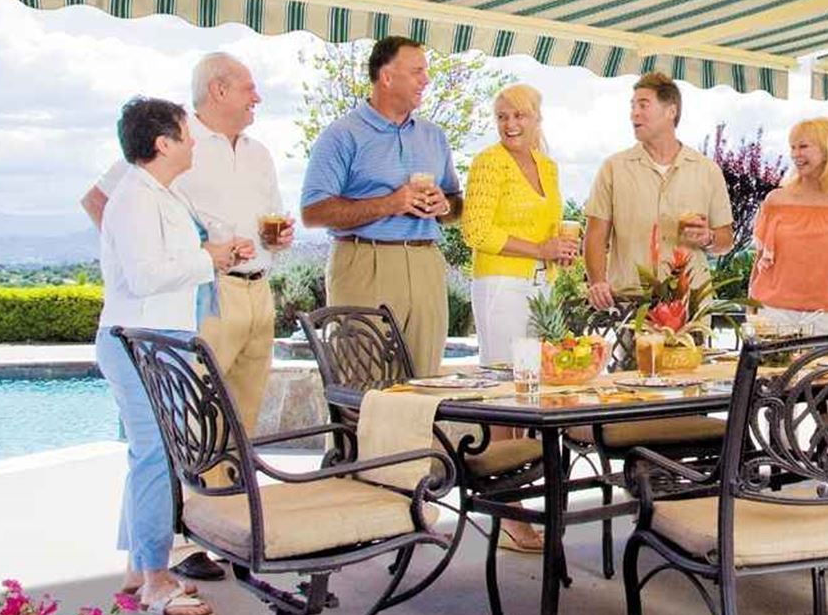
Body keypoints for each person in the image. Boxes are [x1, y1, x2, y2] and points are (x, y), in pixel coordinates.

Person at [82, 53, 292, 584]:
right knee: (179, 432)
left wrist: (272, 241)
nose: (257, 97)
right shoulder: (161, 155)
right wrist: (161, 259)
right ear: (218, 90)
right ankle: (166, 550)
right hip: (197, 299)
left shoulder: (258, 153)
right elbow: (101, 205)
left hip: (255, 289)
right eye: (248, 87)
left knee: (236, 424)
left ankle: (223, 530)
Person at [96, 97, 248, 615]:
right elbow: (144, 276)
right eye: (186, 134)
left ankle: (138, 572)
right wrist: (207, 259)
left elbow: (167, 265)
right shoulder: (135, 198)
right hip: (139, 341)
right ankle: (155, 580)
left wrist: (213, 258)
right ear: (163, 143)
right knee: (155, 457)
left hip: (158, 340)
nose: (193, 142)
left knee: (153, 456)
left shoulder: (159, 194)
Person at [301, 37, 461, 376]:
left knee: (425, 383)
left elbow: (457, 203)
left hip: (426, 263)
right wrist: (389, 204)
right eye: (417, 72)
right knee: (364, 382)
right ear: (386, 77)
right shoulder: (342, 135)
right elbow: (313, 212)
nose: (426, 80)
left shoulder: (434, 136)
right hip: (364, 262)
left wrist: (443, 206)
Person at [459, 83, 574, 553]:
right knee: (505, 393)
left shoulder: (548, 167)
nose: (510, 125)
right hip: (500, 286)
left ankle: (516, 498)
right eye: (502, 116)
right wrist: (539, 249)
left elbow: (551, 229)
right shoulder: (489, 163)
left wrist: (559, 253)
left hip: (540, 287)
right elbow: (475, 231)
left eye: (519, 116)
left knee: (529, 394)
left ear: (537, 118)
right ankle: (508, 510)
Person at [584, 72, 734, 313]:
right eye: (632, 106)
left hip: (690, 306)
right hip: (631, 305)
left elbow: (726, 240)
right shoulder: (614, 168)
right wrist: (597, 282)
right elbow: (595, 235)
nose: (634, 113)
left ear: (671, 111)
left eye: (643, 105)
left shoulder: (707, 170)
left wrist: (708, 238)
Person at [748, 118, 828, 335]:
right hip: (774, 313)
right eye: (793, 147)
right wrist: (750, 301)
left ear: (827, 149)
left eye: (803, 146)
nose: (796, 154)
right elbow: (760, 258)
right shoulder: (776, 200)